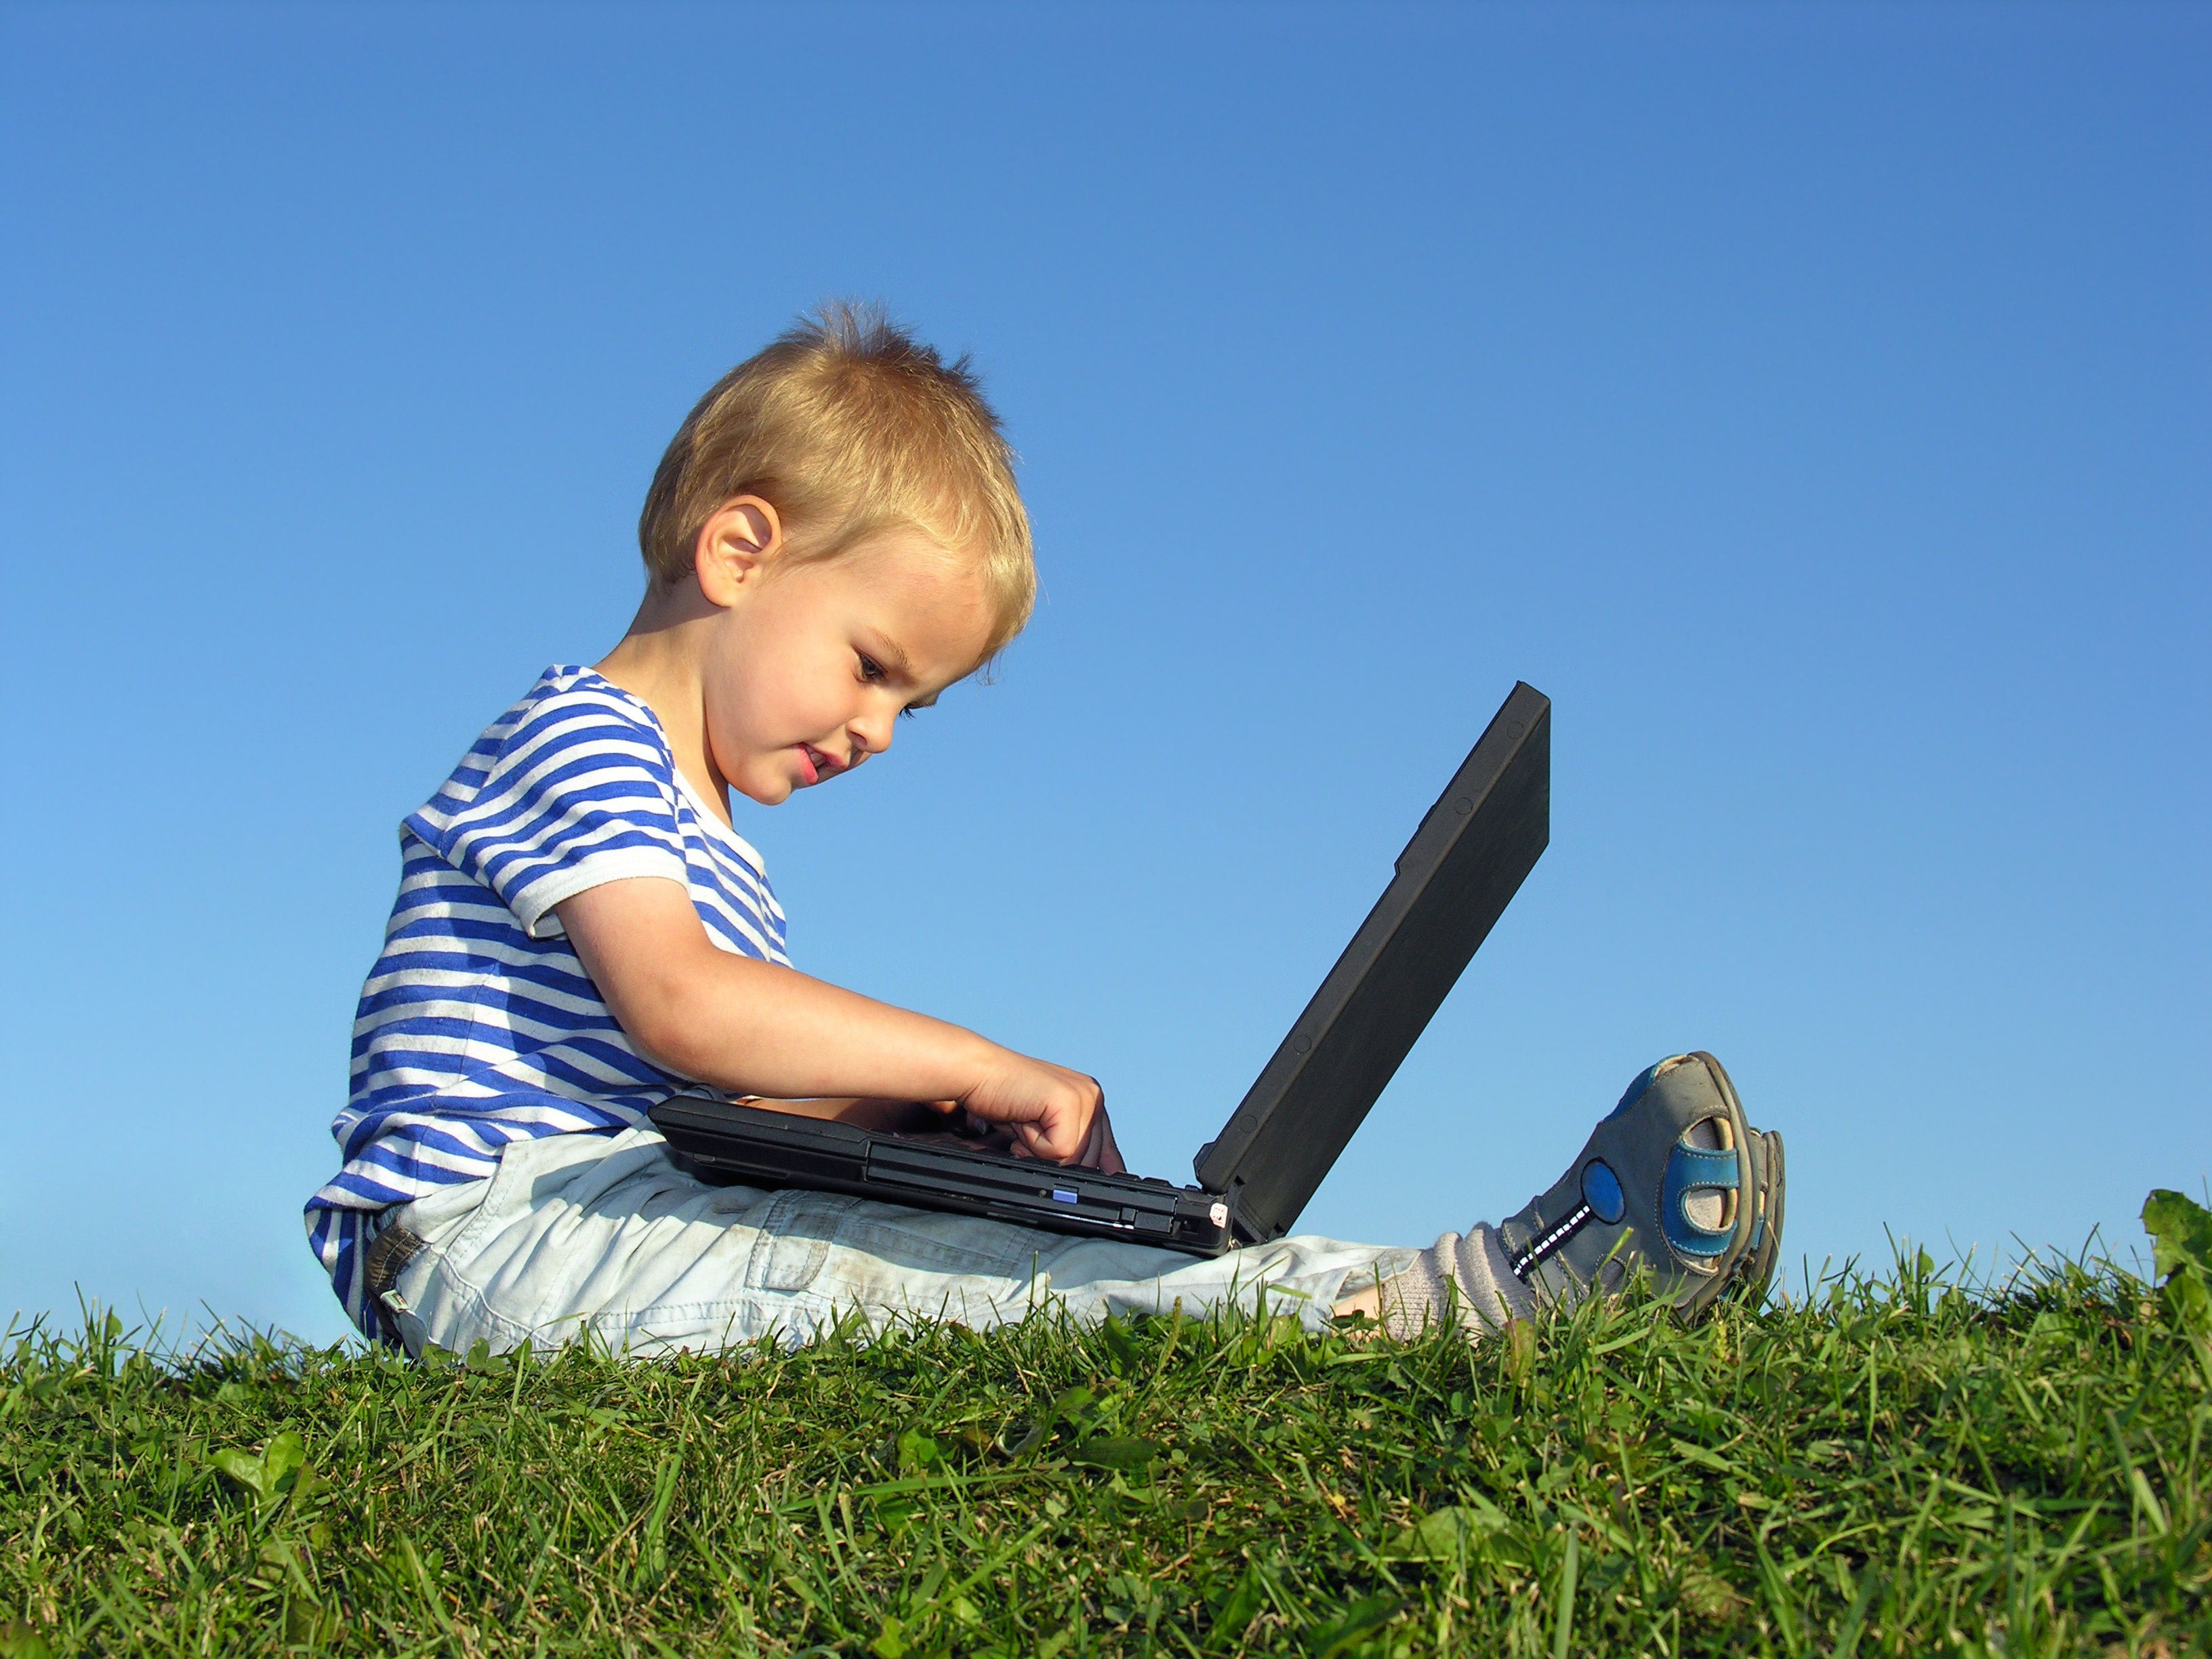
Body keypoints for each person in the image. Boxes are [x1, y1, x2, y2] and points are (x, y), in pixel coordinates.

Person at [305, 305, 1785, 1357]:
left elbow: (717, 1108)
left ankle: (1255, 1277)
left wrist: (915, 1130)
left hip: (607, 1207)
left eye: (914, 707)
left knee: (989, 1245)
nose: (877, 731)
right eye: (874, 667)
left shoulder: (696, 827)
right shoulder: (580, 736)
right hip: (495, 1242)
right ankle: (1465, 1297)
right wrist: (969, 1062)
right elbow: (684, 1014)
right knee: (953, 1290)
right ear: (741, 551)